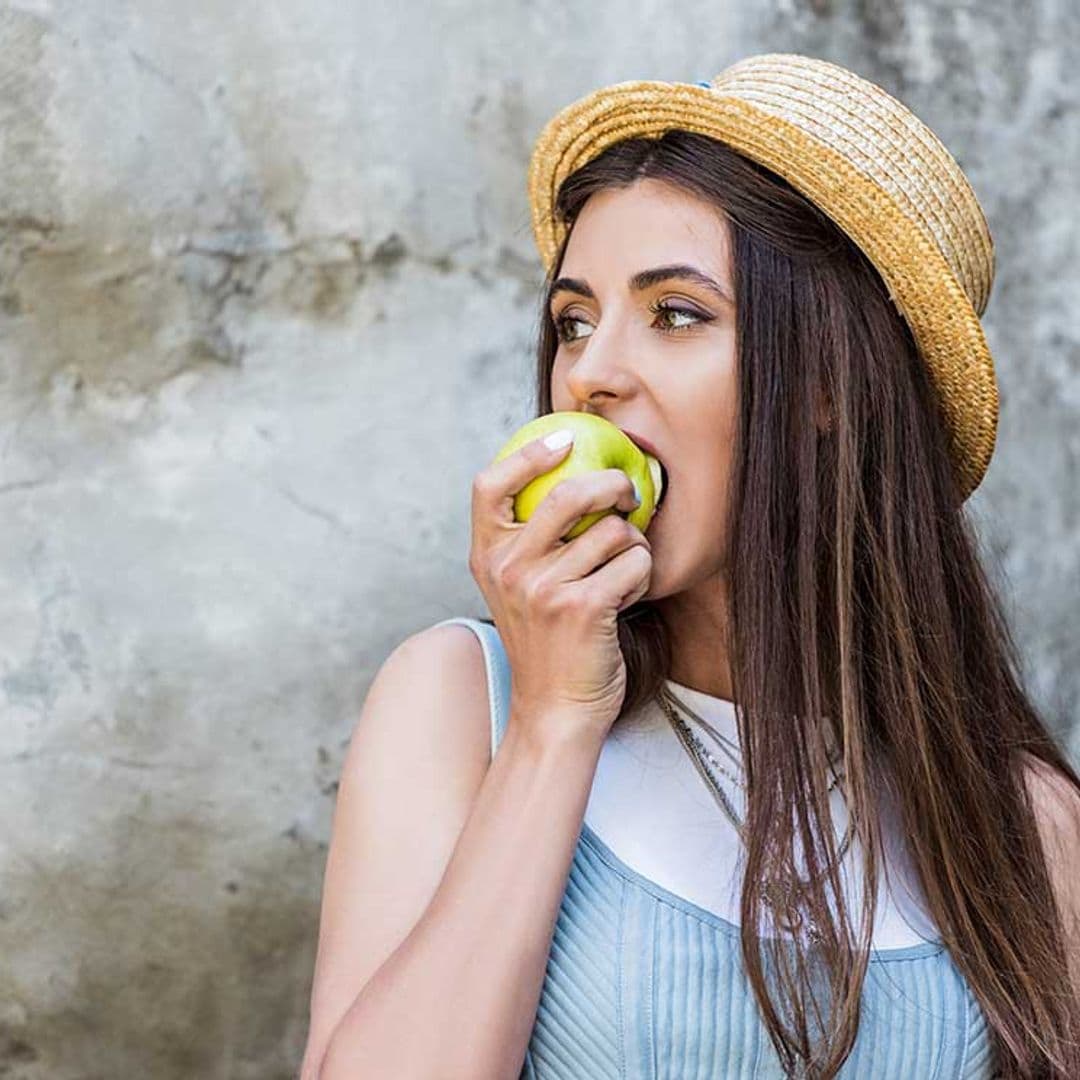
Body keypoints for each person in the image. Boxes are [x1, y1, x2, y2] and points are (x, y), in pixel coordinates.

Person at [300, 53, 1080, 1079]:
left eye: (675, 314)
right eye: (574, 321)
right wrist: (553, 724)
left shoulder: (1028, 825)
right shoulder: (460, 704)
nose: (591, 373)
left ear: (830, 390)